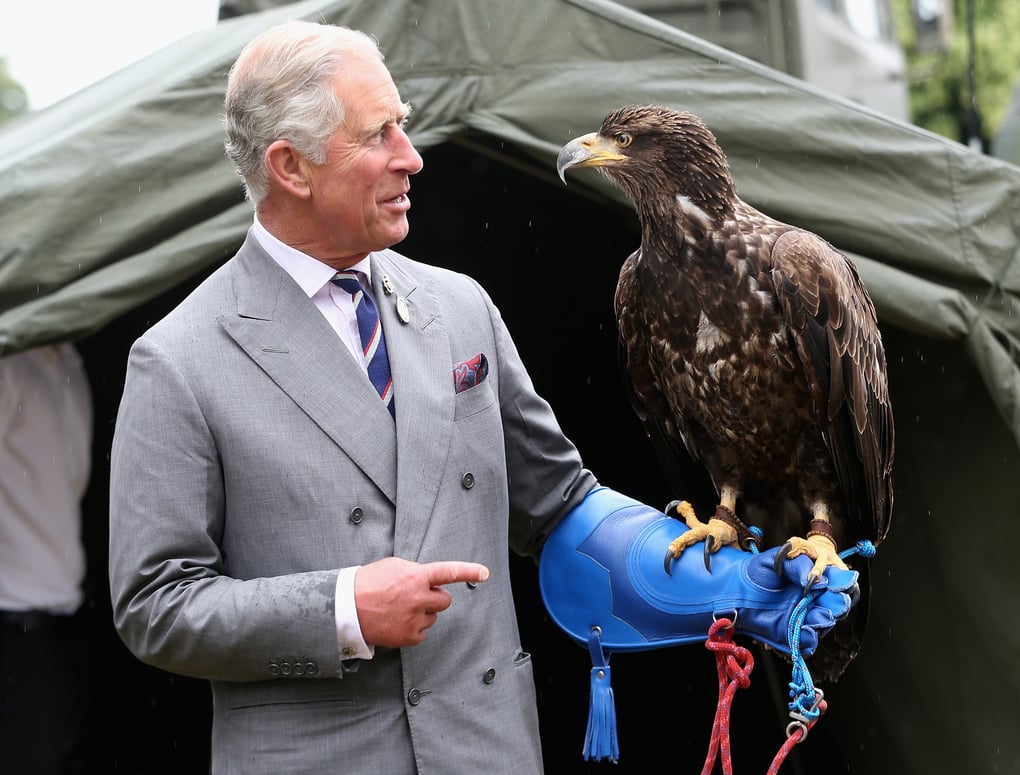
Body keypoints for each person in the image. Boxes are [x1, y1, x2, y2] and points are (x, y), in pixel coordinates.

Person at [108, 20, 623, 774]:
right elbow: (154, 606)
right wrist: (342, 610)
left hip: (487, 752)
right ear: (291, 166)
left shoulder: (463, 307)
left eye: (401, 125)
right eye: (377, 135)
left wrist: (733, 573)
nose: (410, 158)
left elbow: (563, 505)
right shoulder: (177, 359)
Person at [1, 343, 94, 774]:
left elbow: (69, 483)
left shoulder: (70, 360)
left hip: (57, 627)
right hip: (13, 625)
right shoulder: (10, 360)